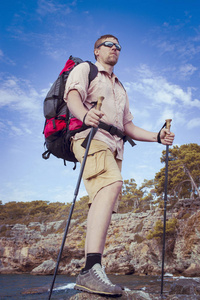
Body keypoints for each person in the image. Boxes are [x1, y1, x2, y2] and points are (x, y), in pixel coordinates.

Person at [64, 34, 175, 296]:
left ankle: (90, 271)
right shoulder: (85, 70)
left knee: (103, 200)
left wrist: (157, 137)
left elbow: (127, 127)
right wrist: (85, 114)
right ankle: (91, 268)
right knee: (112, 183)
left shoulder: (121, 88)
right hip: (89, 137)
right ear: (96, 50)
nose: (115, 49)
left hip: (115, 148)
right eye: (109, 45)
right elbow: (72, 98)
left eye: (119, 47)